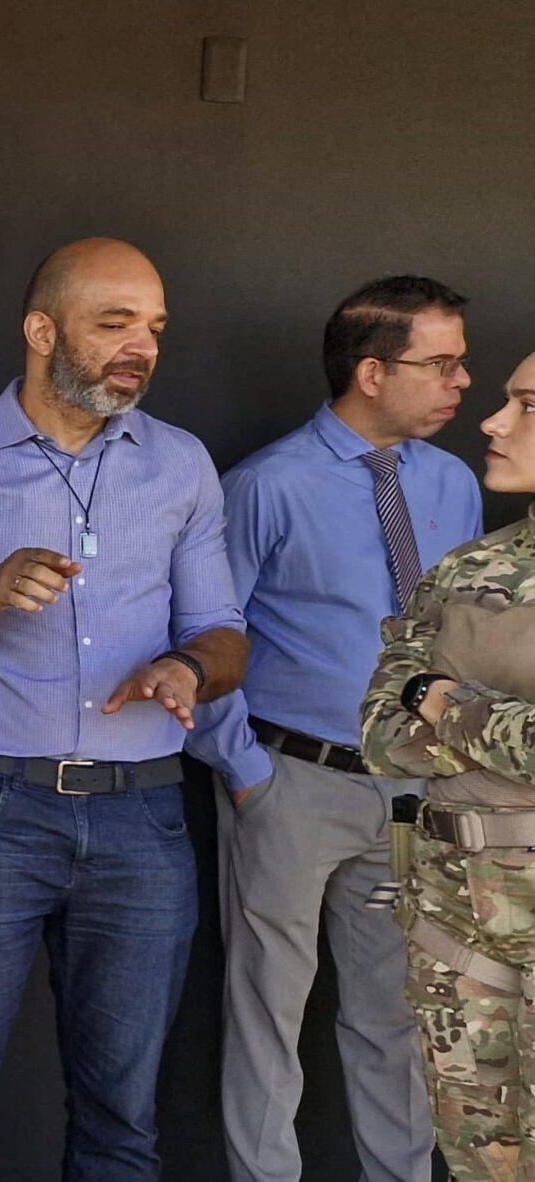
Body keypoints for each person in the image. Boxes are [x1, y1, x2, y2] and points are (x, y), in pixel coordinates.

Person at [0, 237, 249, 1181]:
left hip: (143, 814)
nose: (140, 347)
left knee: (123, 1114)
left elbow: (226, 632)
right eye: (113, 323)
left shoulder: (181, 465)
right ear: (41, 331)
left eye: (152, 328)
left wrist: (189, 668)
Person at [186, 276, 479, 1182]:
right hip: (293, 785)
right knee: (268, 1014)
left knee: (396, 1019)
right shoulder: (267, 486)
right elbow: (205, 634)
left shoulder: (455, 484)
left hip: (414, 798)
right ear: (371, 371)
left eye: (462, 362)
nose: (463, 381)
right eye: (441, 363)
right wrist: (243, 774)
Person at [363, 351, 535, 1182]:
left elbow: (419, 708)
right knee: (480, 1165)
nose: (493, 422)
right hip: (459, 934)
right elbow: (380, 734)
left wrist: (446, 702)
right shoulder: (468, 571)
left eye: (525, 404)